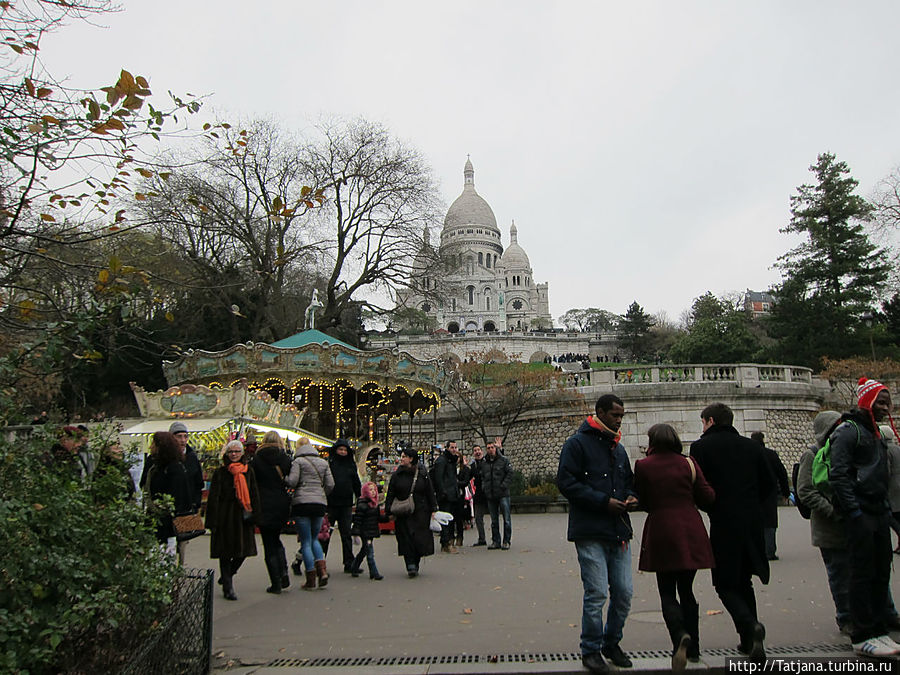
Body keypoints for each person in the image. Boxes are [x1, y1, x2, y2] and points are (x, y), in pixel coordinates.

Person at [557, 393, 638, 674]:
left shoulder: (619, 449)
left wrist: (630, 497)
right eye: (615, 415)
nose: (619, 421)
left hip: (619, 531)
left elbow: (628, 481)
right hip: (590, 530)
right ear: (600, 412)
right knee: (596, 593)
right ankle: (590, 649)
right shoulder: (576, 444)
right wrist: (603, 502)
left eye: (621, 416)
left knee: (624, 592)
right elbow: (566, 482)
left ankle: (611, 642)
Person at [690, 402, 774, 662]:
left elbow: (699, 486)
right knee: (744, 579)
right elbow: (768, 484)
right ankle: (748, 640)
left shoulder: (701, 447)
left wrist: (711, 506)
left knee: (725, 582)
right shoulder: (751, 447)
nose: (702, 428)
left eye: (703, 422)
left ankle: (750, 626)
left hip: (723, 520)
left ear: (711, 421)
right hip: (752, 520)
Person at [829, 378, 900, 657]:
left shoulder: (875, 433)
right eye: (881, 402)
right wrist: (854, 511)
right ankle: (862, 634)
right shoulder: (848, 432)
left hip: (877, 509)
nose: (886, 407)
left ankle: (878, 629)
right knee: (861, 573)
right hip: (860, 511)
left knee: (881, 572)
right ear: (867, 401)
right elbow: (839, 474)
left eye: (888, 401)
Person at [634, 423, 715, 671]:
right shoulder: (688, 463)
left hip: (661, 529)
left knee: (667, 591)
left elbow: (643, 499)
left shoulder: (643, 466)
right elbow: (708, 496)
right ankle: (694, 649)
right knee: (687, 591)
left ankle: (679, 635)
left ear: (652, 442)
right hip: (689, 527)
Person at [797, 410, 852, 635]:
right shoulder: (812, 454)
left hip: (855, 525)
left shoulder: (848, 451)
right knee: (839, 575)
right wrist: (832, 510)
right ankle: (845, 617)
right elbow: (805, 491)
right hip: (829, 528)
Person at [206, 439, 261, 601]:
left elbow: (254, 493)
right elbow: (213, 497)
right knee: (225, 553)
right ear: (227, 454)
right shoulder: (220, 472)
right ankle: (228, 588)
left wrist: (256, 514)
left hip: (243, 516)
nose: (234, 455)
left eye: (237, 452)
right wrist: (212, 521)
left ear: (242, 453)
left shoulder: (248, 471)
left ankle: (228, 574)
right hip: (225, 517)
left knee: (242, 552)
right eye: (231, 452)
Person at [286, 439, 334, 590]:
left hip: (302, 504)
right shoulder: (323, 463)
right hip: (319, 504)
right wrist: (321, 494)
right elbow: (331, 484)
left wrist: (284, 479)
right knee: (315, 539)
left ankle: (311, 579)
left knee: (306, 541)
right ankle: (323, 571)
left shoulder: (298, 462)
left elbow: (292, 482)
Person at [249, 431, 292, 594]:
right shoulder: (285, 458)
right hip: (281, 503)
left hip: (263, 503)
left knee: (269, 544)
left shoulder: (256, 459)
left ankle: (276, 582)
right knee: (276, 539)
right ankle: (284, 572)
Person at [385, 446, 438, 577]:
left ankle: (416, 561)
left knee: (419, 538)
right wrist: (389, 510)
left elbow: (429, 491)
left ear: (411, 459)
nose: (401, 459)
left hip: (421, 511)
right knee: (405, 538)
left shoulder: (422, 473)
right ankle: (410, 563)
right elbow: (391, 493)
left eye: (404, 457)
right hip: (403, 511)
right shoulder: (397, 475)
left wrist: (433, 508)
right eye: (401, 456)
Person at [146, 431, 192, 557]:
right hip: (158, 522)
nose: (150, 447)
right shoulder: (156, 466)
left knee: (166, 557)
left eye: (153, 444)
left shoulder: (174, 468)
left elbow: (178, 498)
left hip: (168, 525)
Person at [168, 421, 204, 565]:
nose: (183, 440)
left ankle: (180, 570)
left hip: (186, 508)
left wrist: (195, 505)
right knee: (169, 542)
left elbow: (198, 483)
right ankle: (168, 573)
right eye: (179, 437)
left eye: (185, 436)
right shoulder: (164, 457)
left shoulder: (192, 457)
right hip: (168, 508)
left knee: (183, 543)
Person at [750, 431, 790, 561]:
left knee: (754, 522)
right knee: (770, 523)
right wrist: (785, 492)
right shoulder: (771, 454)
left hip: (752, 493)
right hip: (769, 493)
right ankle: (770, 551)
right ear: (763, 440)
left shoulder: (747, 454)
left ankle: (756, 551)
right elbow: (782, 473)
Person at [325, 439, 361, 573]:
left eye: (345, 450)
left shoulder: (351, 466)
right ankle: (321, 561)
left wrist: (360, 497)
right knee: (326, 533)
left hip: (346, 504)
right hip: (331, 504)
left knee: (346, 534)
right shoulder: (330, 464)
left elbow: (356, 482)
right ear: (335, 450)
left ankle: (348, 562)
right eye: (340, 449)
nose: (343, 452)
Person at [430, 440, 462, 553]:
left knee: (451, 520)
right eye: (452, 447)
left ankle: (448, 542)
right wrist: (442, 492)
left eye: (455, 447)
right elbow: (438, 478)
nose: (454, 450)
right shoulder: (442, 461)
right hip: (446, 495)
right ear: (447, 448)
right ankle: (446, 543)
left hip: (453, 494)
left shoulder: (451, 461)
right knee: (445, 521)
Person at [481, 438, 513, 550]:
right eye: (488, 448)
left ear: (496, 448)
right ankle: (496, 541)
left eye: (492, 447)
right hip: (491, 494)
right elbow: (483, 477)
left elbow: (509, 474)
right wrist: (484, 487)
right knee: (494, 521)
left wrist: (503, 485)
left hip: (503, 494)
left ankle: (506, 541)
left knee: (506, 519)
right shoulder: (484, 463)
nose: (490, 450)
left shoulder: (504, 460)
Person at [349, 481, 384, 580]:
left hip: (371, 531)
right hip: (365, 532)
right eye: (370, 490)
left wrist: (388, 518)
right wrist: (355, 532)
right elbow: (358, 520)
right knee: (370, 553)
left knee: (364, 550)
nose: (373, 492)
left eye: (374, 490)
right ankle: (374, 572)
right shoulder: (362, 505)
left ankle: (354, 567)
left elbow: (378, 518)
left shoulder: (375, 505)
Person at [469, 445, 488, 546]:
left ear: (482, 451)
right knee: (478, 518)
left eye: (478, 450)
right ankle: (482, 539)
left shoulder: (487, 462)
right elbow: (467, 478)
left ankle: (496, 539)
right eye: (475, 450)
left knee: (495, 518)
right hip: (479, 494)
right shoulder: (473, 466)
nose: (477, 452)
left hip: (489, 493)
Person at [454, 451, 471, 546]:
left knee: (459, 517)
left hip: (460, 495)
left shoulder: (465, 469)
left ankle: (460, 537)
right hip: (451, 495)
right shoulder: (449, 468)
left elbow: (465, 481)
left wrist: (456, 483)